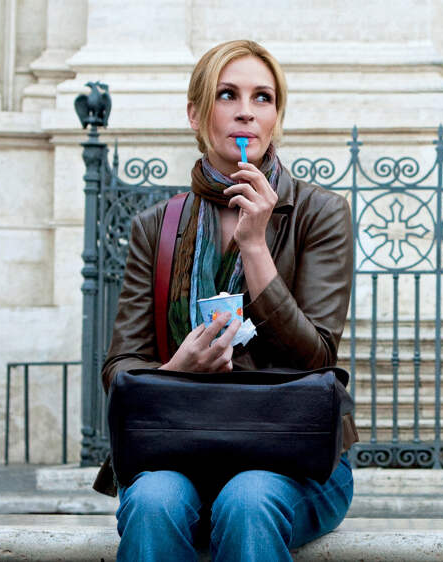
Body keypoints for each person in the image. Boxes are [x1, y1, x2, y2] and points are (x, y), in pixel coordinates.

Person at [92, 40, 358, 561]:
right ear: (196, 115)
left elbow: (318, 358)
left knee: (248, 500)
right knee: (152, 501)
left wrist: (255, 247)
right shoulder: (156, 225)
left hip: (293, 458)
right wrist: (176, 368)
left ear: (276, 116)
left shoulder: (321, 214)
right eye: (227, 94)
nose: (246, 111)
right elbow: (120, 366)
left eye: (263, 97)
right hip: (180, 449)